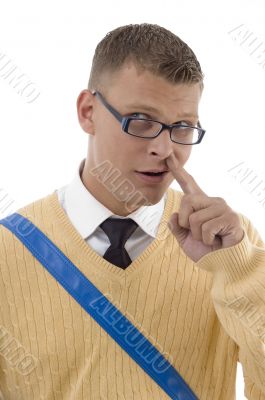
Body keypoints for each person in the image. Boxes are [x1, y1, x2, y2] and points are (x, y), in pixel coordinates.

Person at [0, 23, 264, 400]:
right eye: (142, 121)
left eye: (183, 127)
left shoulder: (231, 249)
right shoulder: (7, 253)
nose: (163, 148)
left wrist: (237, 270)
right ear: (88, 112)